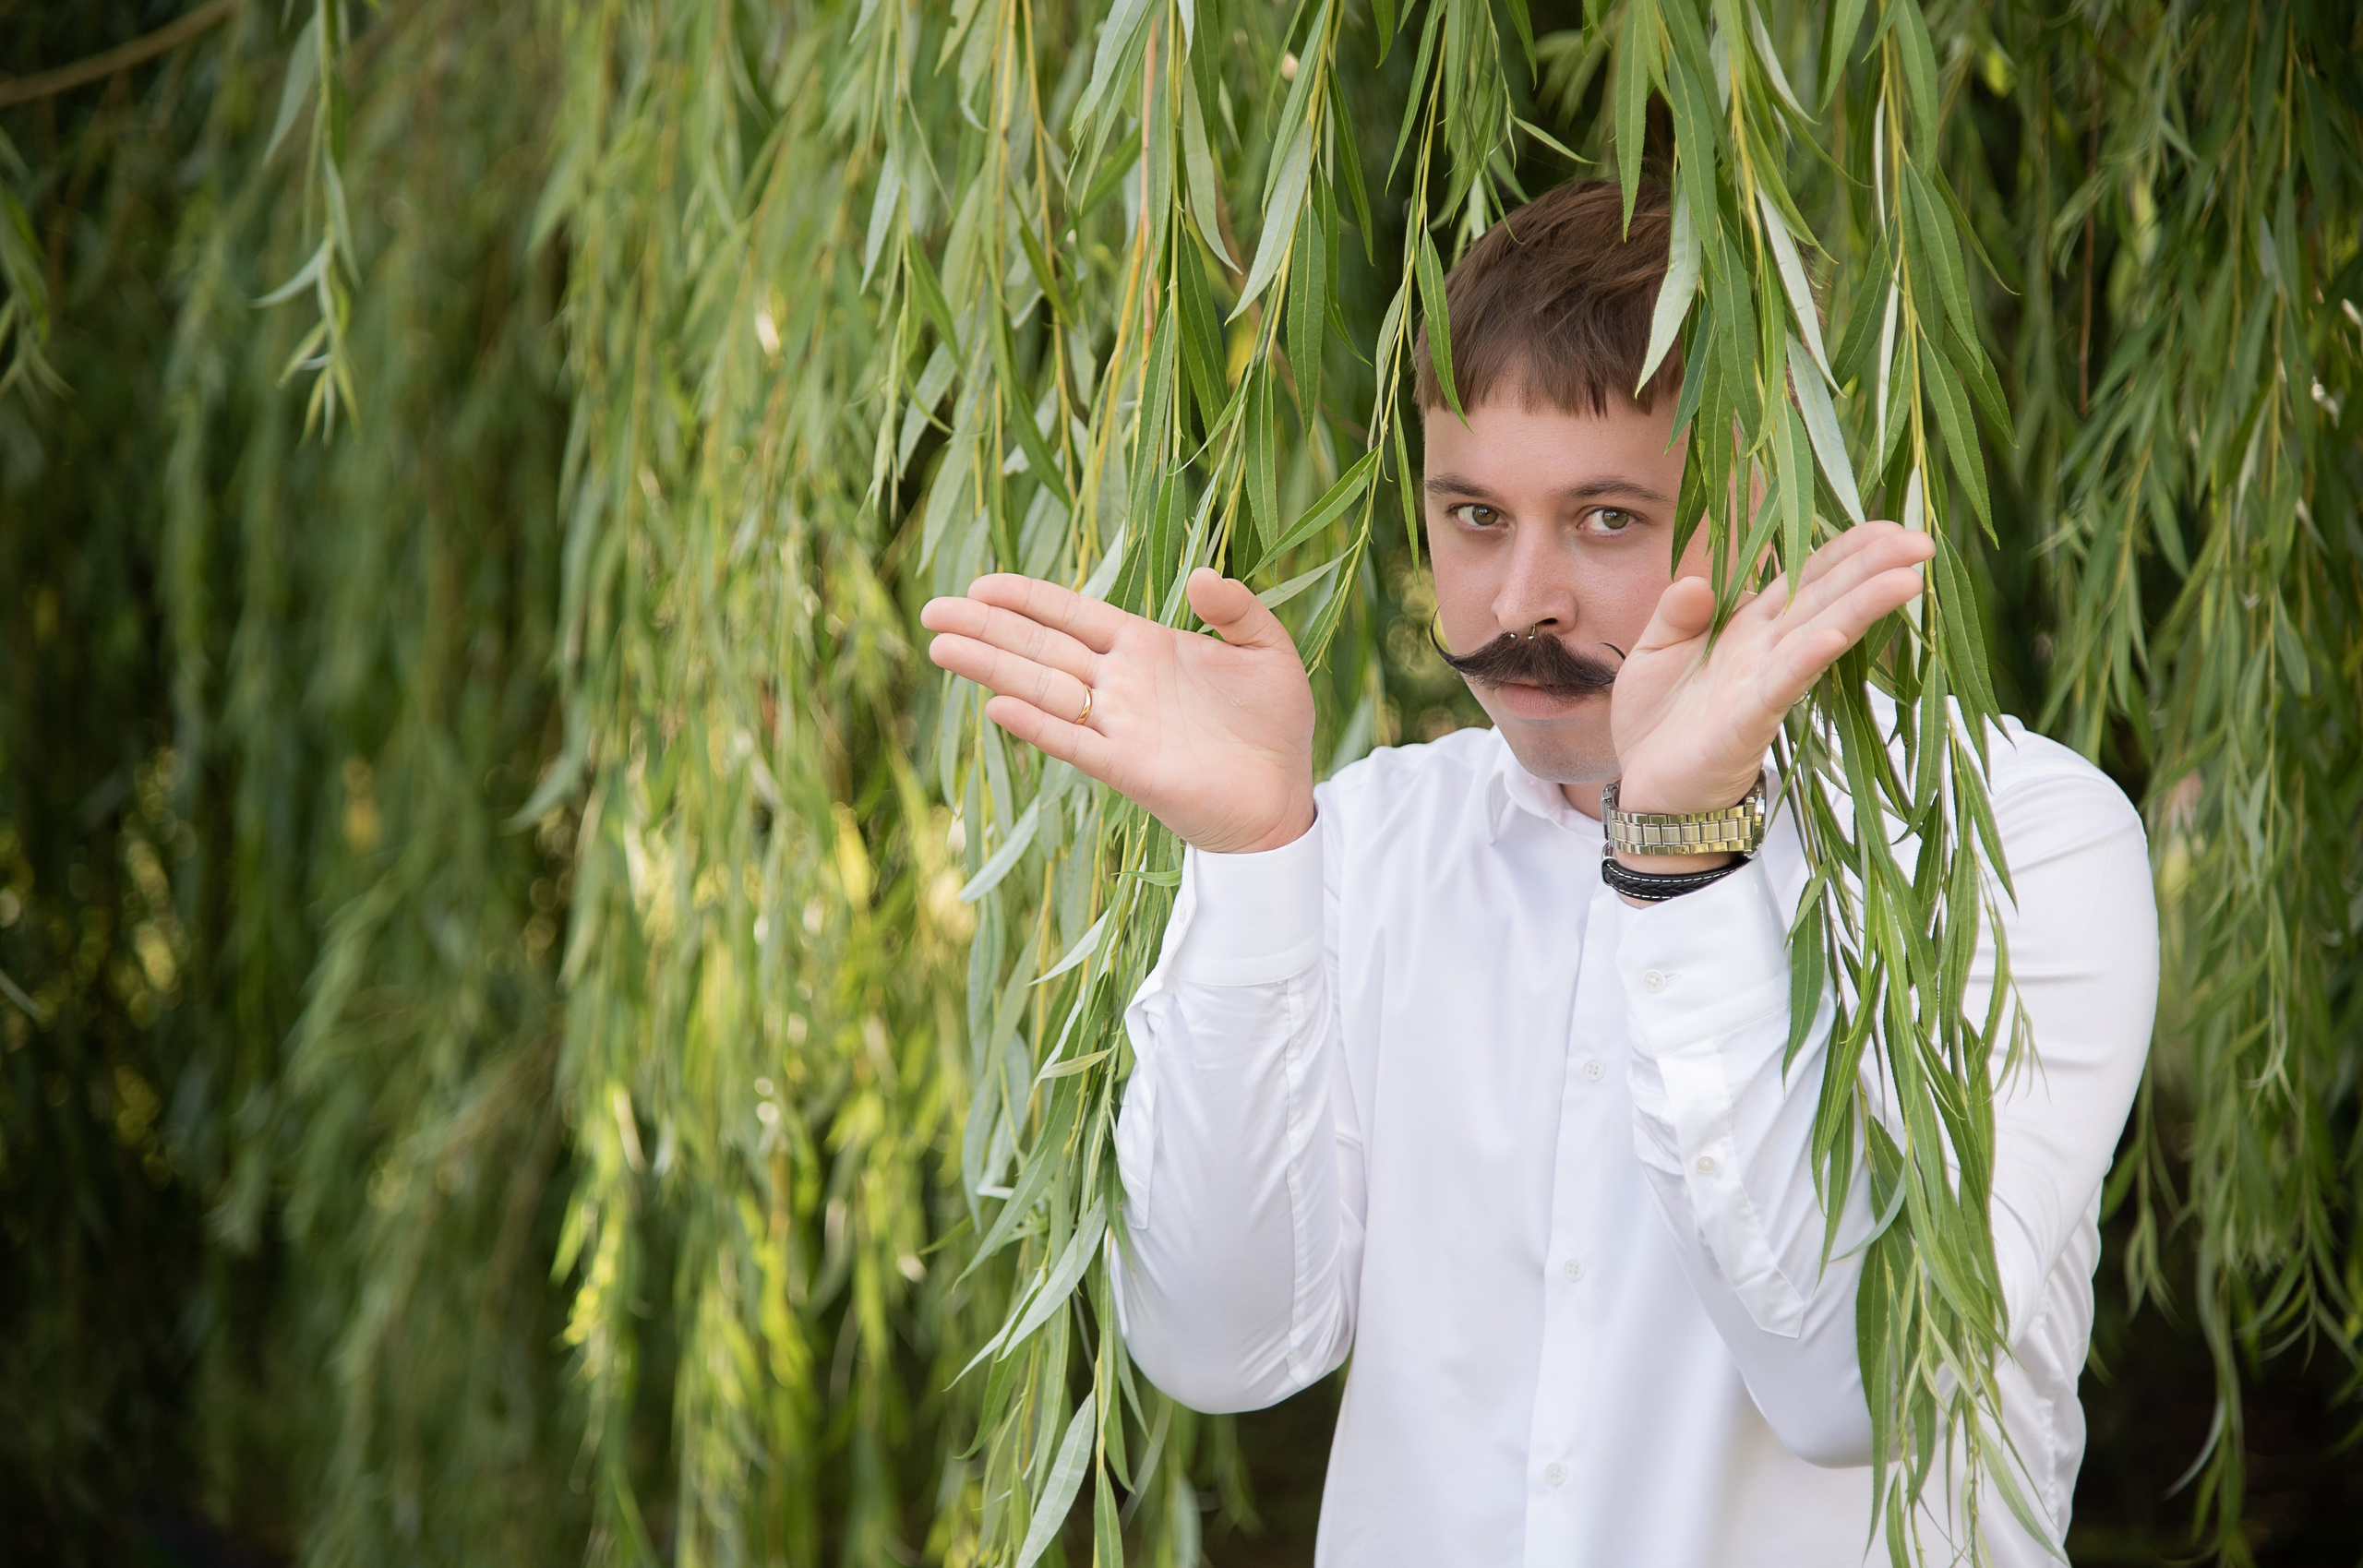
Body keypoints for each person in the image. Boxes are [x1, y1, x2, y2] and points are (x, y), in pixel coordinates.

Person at [920, 179, 2156, 1567]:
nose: (1519, 607)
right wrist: (1255, 863)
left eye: (1608, 520)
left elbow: (1859, 1385)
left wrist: (1686, 853)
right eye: (1475, 516)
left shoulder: (2018, 842)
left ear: (1772, 498)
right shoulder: (1368, 846)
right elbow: (1221, 1345)